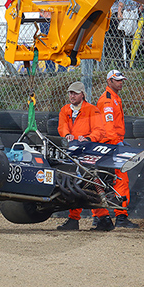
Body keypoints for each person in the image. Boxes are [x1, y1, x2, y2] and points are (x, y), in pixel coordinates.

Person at [56, 81, 112, 231]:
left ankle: (102, 217)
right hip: (71, 152)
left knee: (86, 183)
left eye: (75, 93)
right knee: (76, 184)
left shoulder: (92, 110)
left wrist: (87, 139)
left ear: (82, 94)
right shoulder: (65, 110)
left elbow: (99, 131)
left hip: (87, 152)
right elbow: (62, 127)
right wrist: (67, 135)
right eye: (70, 93)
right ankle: (95, 218)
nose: (72, 96)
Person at [97, 70, 138, 229]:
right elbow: (108, 127)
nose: (120, 82)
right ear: (109, 81)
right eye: (117, 80)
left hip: (110, 143)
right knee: (120, 179)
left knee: (100, 180)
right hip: (110, 144)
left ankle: (102, 218)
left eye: (121, 80)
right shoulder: (107, 101)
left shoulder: (114, 98)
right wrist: (117, 143)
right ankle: (119, 216)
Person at [119, 0, 144, 68]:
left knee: (139, 37)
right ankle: (129, 63)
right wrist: (120, 10)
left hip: (138, 10)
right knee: (127, 37)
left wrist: (141, 6)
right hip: (127, 9)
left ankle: (140, 63)